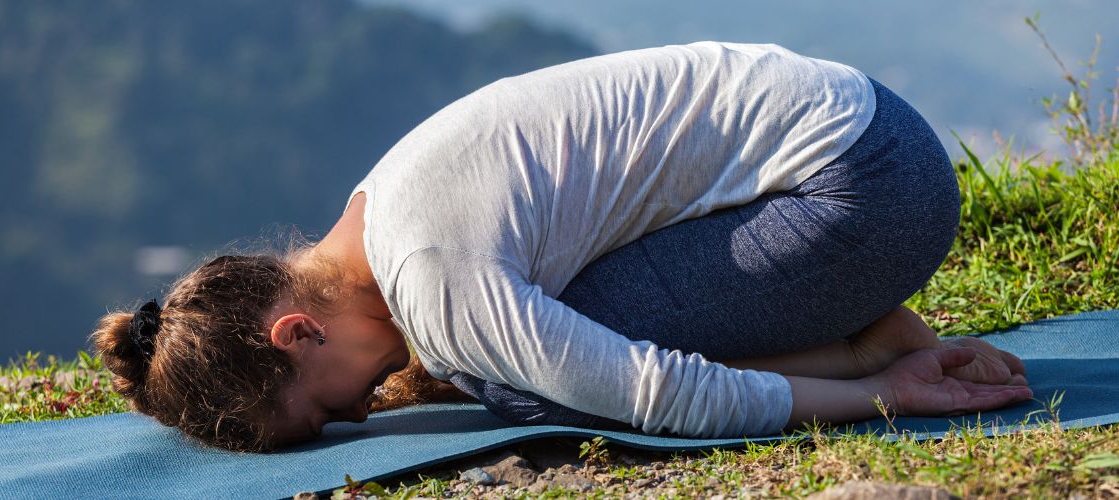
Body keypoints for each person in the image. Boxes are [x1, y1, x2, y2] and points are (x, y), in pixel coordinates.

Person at [92, 42, 1032, 452]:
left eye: (323, 414)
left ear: (297, 333)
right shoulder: (380, 209)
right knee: (502, 359)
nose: (355, 418)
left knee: (519, 378)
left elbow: (665, 395)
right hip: (865, 136)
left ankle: (867, 342)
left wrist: (879, 396)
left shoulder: (432, 277)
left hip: (861, 191)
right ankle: (853, 320)